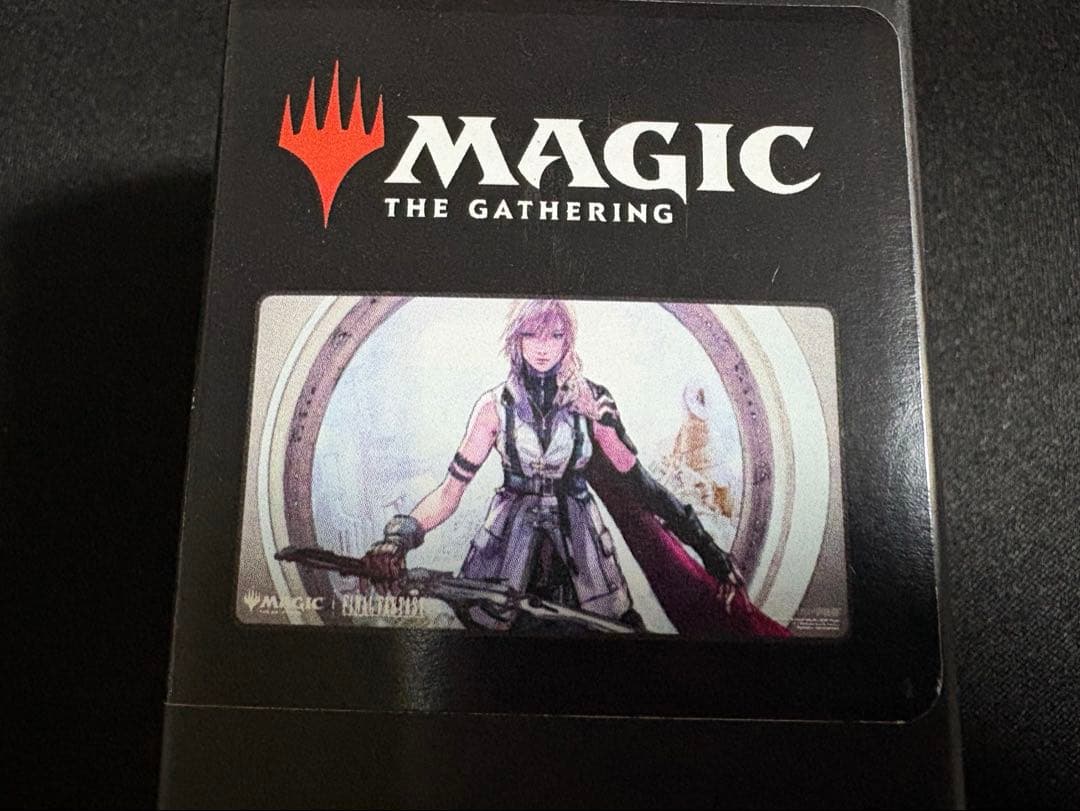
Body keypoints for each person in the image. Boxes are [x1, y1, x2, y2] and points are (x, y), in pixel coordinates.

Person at [358, 298, 787, 637]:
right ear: (517, 340)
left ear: (568, 341)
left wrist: (710, 553)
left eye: (555, 335)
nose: (543, 346)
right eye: (533, 334)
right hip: (504, 558)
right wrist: (398, 539)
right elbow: (450, 492)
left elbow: (643, 487)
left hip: (584, 557)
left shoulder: (592, 401)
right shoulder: (493, 407)